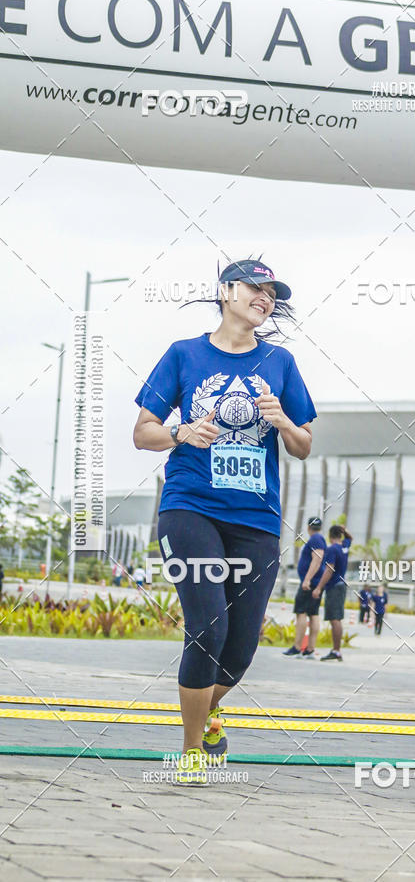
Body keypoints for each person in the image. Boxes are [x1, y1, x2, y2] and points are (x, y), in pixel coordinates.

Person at [134, 258, 316, 784]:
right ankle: (192, 749)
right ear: (226, 291)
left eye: (271, 293)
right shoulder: (184, 354)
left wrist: (283, 421)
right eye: (255, 288)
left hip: (256, 517)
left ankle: (210, 711)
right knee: (207, 625)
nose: (264, 298)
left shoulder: (280, 362)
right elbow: (143, 432)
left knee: (241, 644)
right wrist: (181, 432)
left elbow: (303, 445)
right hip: (190, 506)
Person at [284, 517, 326, 658]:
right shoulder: (320, 539)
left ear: (309, 528)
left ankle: (297, 647)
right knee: (313, 614)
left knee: (301, 612)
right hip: (316, 583)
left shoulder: (315, 539)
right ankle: (309, 649)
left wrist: (307, 579)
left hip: (310, 583)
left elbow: (317, 558)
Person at [313, 525, 352, 662]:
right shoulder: (344, 546)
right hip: (341, 585)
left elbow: (329, 570)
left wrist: (318, 587)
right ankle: (337, 650)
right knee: (337, 618)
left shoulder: (332, 549)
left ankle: (336, 651)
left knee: (334, 619)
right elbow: (350, 538)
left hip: (334, 586)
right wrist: (344, 530)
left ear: (330, 536)